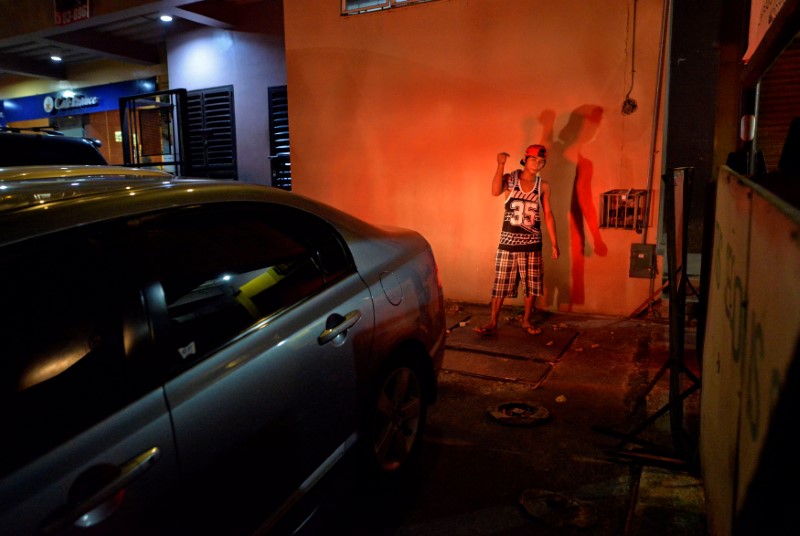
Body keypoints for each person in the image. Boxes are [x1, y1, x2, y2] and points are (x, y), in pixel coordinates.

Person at [474, 144, 559, 335]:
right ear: (525, 159)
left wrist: (555, 243)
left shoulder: (543, 186)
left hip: (532, 243)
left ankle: (526, 321)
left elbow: (548, 214)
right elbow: (495, 191)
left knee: (532, 285)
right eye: (533, 159)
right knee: (501, 284)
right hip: (509, 243)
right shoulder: (511, 179)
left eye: (541, 161)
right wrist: (500, 164)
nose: (537, 164)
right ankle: (493, 322)